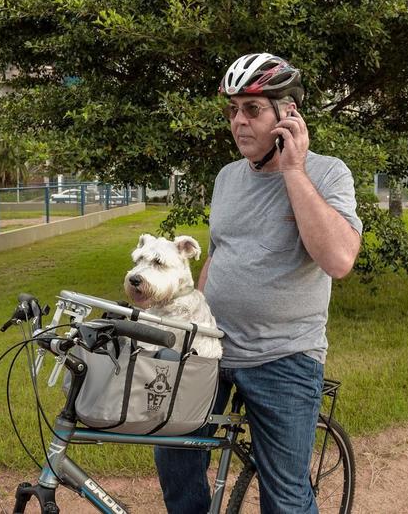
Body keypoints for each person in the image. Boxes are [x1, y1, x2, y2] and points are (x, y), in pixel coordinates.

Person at [154, 52, 363, 513]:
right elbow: (220, 254)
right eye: (233, 111)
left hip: (284, 357)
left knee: (286, 497)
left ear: (288, 115)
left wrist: (293, 170)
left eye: (252, 109)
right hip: (212, 348)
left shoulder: (327, 173)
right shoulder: (227, 177)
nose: (238, 122)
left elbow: (339, 259)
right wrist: (192, 322)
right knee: (173, 450)